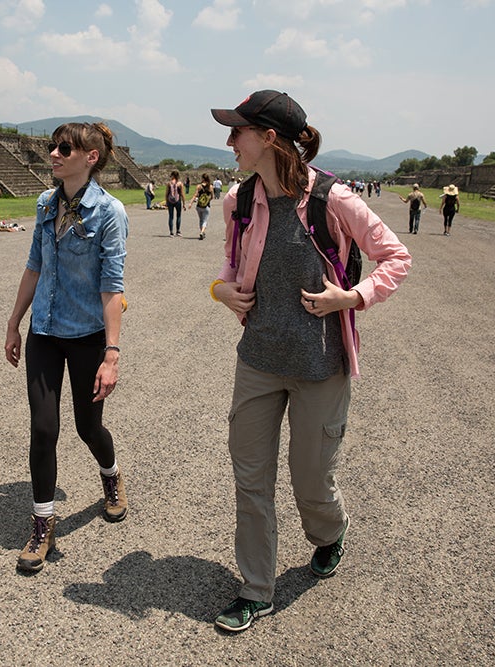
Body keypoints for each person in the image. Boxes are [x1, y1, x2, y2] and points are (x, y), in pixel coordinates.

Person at [208, 90, 411, 632]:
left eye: (238, 132)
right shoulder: (238, 202)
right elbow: (229, 266)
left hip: (320, 366)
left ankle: (329, 532)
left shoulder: (333, 200)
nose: (230, 141)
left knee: (311, 479)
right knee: (251, 478)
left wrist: (353, 296)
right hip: (258, 359)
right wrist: (219, 291)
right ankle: (256, 589)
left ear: (269, 138)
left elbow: (396, 255)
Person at [5, 121, 129, 574]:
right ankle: (42, 524)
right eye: (52, 147)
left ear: (90, 157)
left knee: (87, 427)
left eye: (63, 148)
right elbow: (34, 267)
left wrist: (111, 355)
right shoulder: (44, 204)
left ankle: (111, 477)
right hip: (45, 333)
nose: (53, 154)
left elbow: (112, 287)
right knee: (43, 428)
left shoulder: (110, 213)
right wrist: (15, 322)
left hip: (87, 338)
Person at [188, 173, 214, 239]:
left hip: (199, 206)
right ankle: (202, 232)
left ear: (202, 178)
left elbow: (195, 195)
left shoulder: (199, 186)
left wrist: (191, 203)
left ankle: (201, 231)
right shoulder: (210, 186)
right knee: (205, 220)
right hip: (206, 206)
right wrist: (208, 200)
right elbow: (212, 197)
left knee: (201, 220)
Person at [165, 170, 185, 237]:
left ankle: (171, 232)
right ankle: (178, 231)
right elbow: (182, 194)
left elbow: (166, 194)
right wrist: (184, 203)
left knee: (171, 217)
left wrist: (166, 202)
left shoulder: (169, 183)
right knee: (178, 216)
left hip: (170, 201)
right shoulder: (180, 183)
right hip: (178, 201)